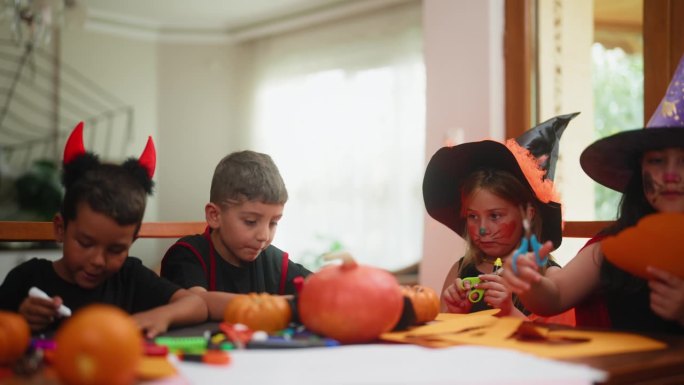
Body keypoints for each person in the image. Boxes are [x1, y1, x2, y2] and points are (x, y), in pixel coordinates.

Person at [502, 56, 684, 334]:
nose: (671, 176)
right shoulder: (610, 248)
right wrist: (532, 283)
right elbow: (555, 296)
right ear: (640, 172)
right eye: (657, 161)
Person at [0, 122, 208, 337]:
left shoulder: (129, 277)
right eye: (85, 243)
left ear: (132, 241)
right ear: (61, 229)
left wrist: (161, 316)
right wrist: (19, 320)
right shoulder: (27, 278)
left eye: (116, 249)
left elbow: (197, 305)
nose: (98, 260)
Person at [423, 113, 576, 320]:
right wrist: (453, 313)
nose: (482, 229)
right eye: (473, 217)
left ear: (528, 214)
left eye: (495, 216)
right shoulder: (460, 272)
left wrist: (509, 312)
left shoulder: (550, 278)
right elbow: (442, 338)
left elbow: (555, 342)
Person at [160, 150, 312, 320]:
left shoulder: (274, 261)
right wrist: (286, 305)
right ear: (214, 216)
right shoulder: (186, 255)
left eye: (273, 222)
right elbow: (198, 302)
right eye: (250, 221)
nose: (263, 236)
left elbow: (319, 291)